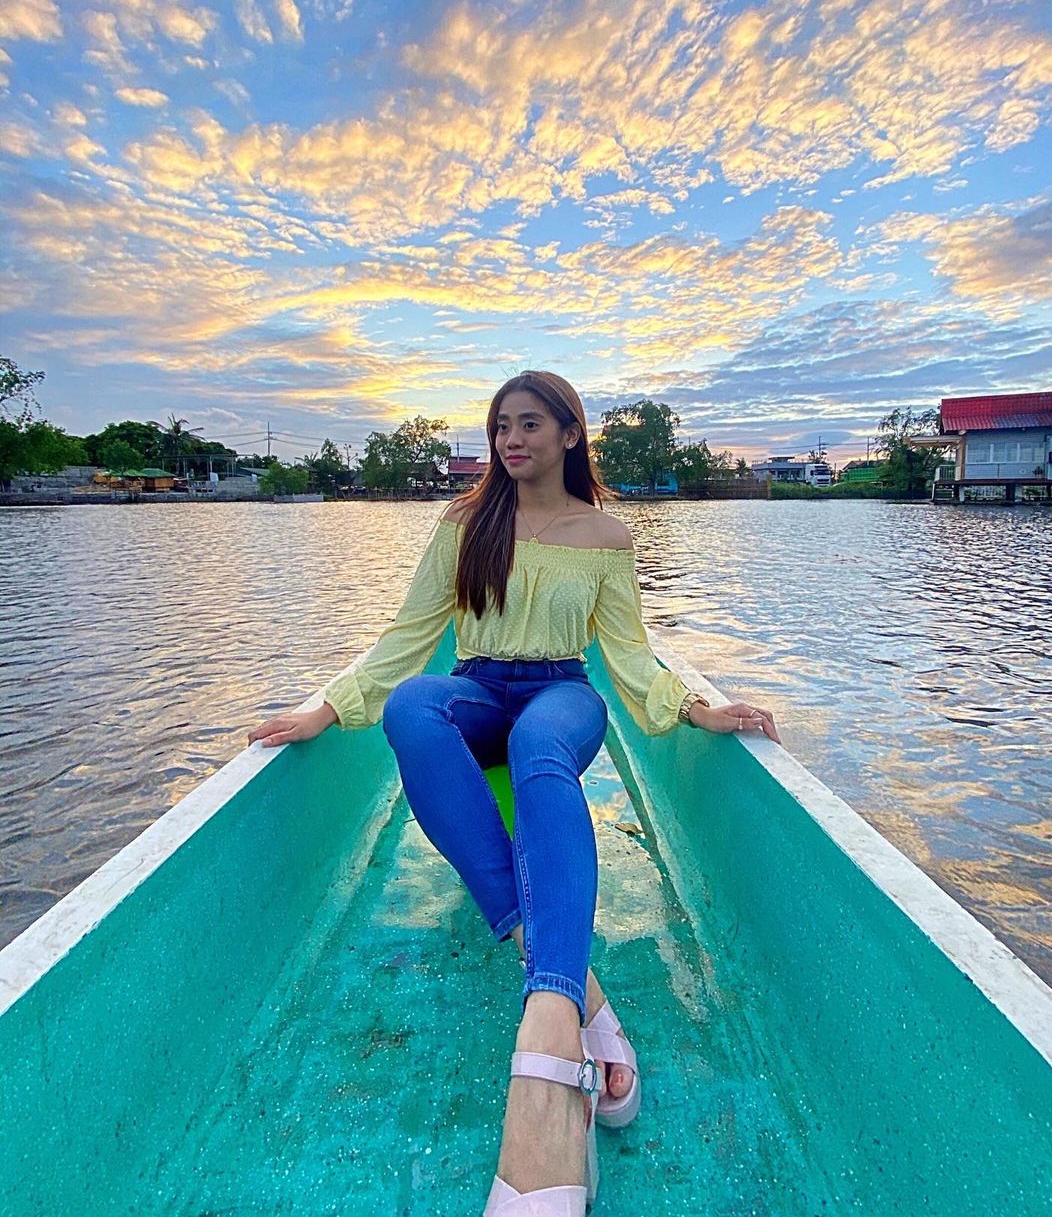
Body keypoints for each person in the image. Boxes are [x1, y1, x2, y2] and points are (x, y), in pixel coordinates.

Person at [247, 370, 780, 1215]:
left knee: (540, 743)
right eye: (501, 427)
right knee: (416, 707)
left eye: (530, 424)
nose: (511, 440)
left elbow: (631, 654)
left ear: (571, 433)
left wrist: (700, 710)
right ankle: (568, 977)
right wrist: (324, 708)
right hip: (477, 687)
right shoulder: (466, 524)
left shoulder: (606, 535)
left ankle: (548, 1029)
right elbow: (407, 638)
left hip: (562, 694)